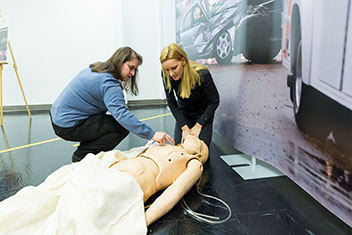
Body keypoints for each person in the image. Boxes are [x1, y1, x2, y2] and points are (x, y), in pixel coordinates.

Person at [0, 135, 208, 234]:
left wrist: (144, 219)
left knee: (71, 214)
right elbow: (131, 154)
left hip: (122, 187)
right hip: (104, 170)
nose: (191, 135)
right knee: (41, 198)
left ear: (200, 150)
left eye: (196, 139)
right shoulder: (165, 146)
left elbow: (174, 192)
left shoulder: (193, 162)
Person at [50, 47, 174, 162]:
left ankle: (87, 149)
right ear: (120, 61)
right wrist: (151, 134)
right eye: (131, 67)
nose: (133, 74)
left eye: (135, 70)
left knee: (108, 122)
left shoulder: (95, 68)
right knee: (121, 127)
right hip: (67, 125)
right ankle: (82, 156)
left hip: (57, 116)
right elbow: (122, 115)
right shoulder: (109, 84)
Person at [160, 43, 220, 147]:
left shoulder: (202, 74)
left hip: (203, 113)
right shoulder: (166, 75)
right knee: (181, 150)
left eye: (174, 68)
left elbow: (214, 101)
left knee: (200, 150)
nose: (171, 74)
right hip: (184, 112)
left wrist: (199, 125)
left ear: (183, 61)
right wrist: (184, 127)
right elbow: (171, 102)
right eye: (167, 70)